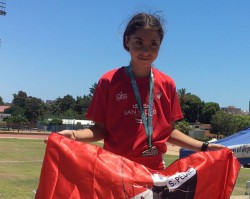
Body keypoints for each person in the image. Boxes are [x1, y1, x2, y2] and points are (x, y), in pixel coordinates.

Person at [48, 12, 224, 170]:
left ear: (160, 45)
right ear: (127, 41)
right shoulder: (109, 81)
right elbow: (99, 130)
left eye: (153, 44)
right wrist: (73, 134)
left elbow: (168, 132)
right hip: (115, 170)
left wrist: (205, 146)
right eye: (138, 42)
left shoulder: (167, 84)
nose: (146, 50)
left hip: (153, 173)